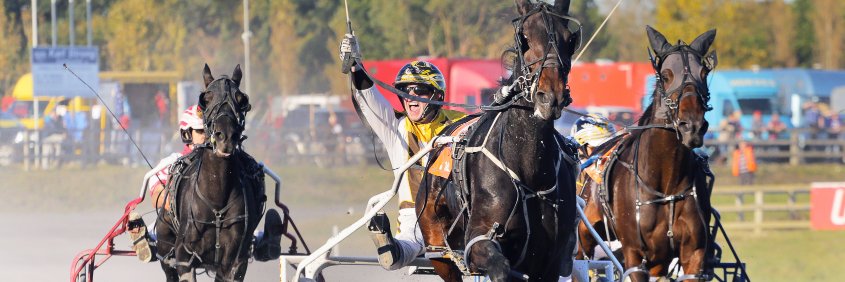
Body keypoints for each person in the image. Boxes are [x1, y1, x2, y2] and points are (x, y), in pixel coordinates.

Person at [340, 34, 467, 270]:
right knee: (411, 240)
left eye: (419, 90)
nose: (410, 98)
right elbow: (371, 99)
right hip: (414, 217)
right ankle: (391, 250)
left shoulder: (461, 124)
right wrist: (356, 66)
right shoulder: (396, 128)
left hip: (460, 213)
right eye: (405, 91)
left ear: (437, 95)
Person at [127, 105, 283, 263]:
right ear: (186, 133)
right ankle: (148, 242)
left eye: (211, 132)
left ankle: (264, 242)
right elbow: (156, 195)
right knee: (163, 223)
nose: (208, 137)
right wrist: (182, 204)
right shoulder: (172, 162)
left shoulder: (231, 164)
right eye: (201, 131)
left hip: (230, 226)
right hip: (183, 227)